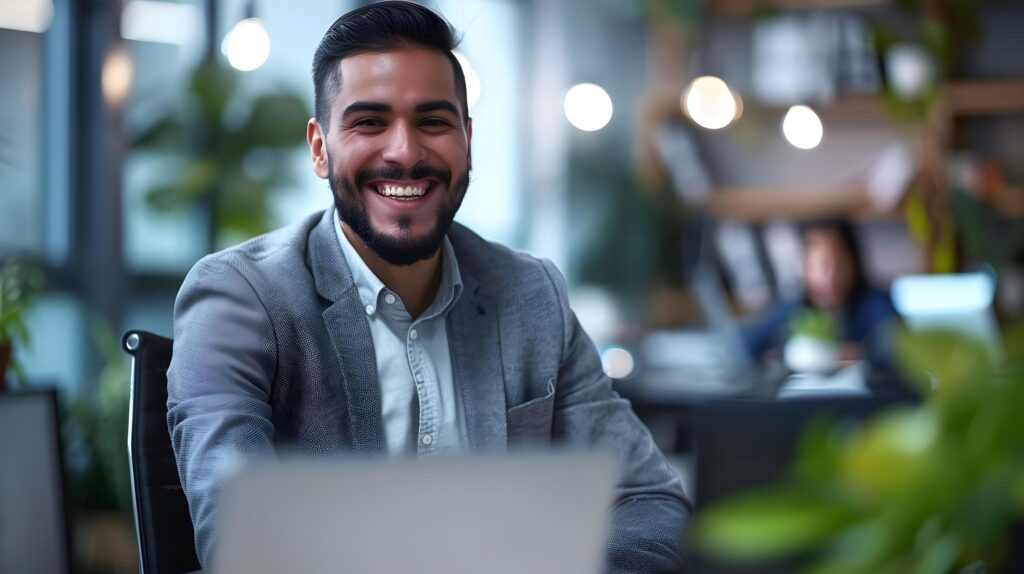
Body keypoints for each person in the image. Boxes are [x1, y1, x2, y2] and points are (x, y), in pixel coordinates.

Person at [166, 2, 689, 572]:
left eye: (433, 122)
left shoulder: (531, 294)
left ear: (467, 138)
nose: (405, 152)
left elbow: (651, 503)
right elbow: (242, 540)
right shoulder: (242, 298)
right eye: (369, 122)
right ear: (320, 148)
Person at [741, 219, 897, 364]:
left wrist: (859, 353)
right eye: (820, 266)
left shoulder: (875, 303)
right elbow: (743, 345)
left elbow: (898, 345)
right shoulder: (790, 309)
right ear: (804, 268)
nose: (830, 276)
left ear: (854, 263)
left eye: (839, 264)